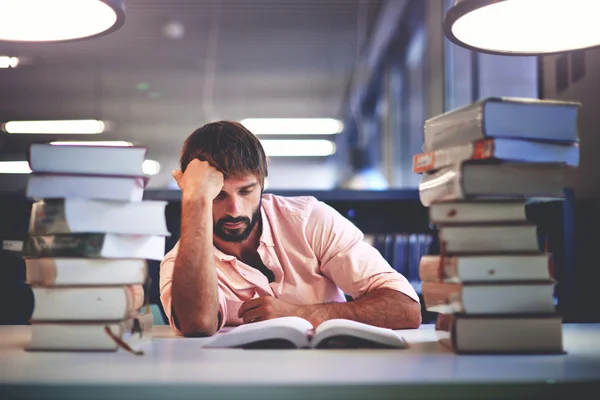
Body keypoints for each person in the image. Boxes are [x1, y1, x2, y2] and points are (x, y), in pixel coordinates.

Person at [159, 121, 421, 336]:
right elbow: (197, 324)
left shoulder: (308, 219)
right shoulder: (179, 263)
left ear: (263, 184)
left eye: (246, 191)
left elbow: (406, 307)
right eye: (218, 196)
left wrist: (301, 314)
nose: (235, 210)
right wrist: (194, 200)